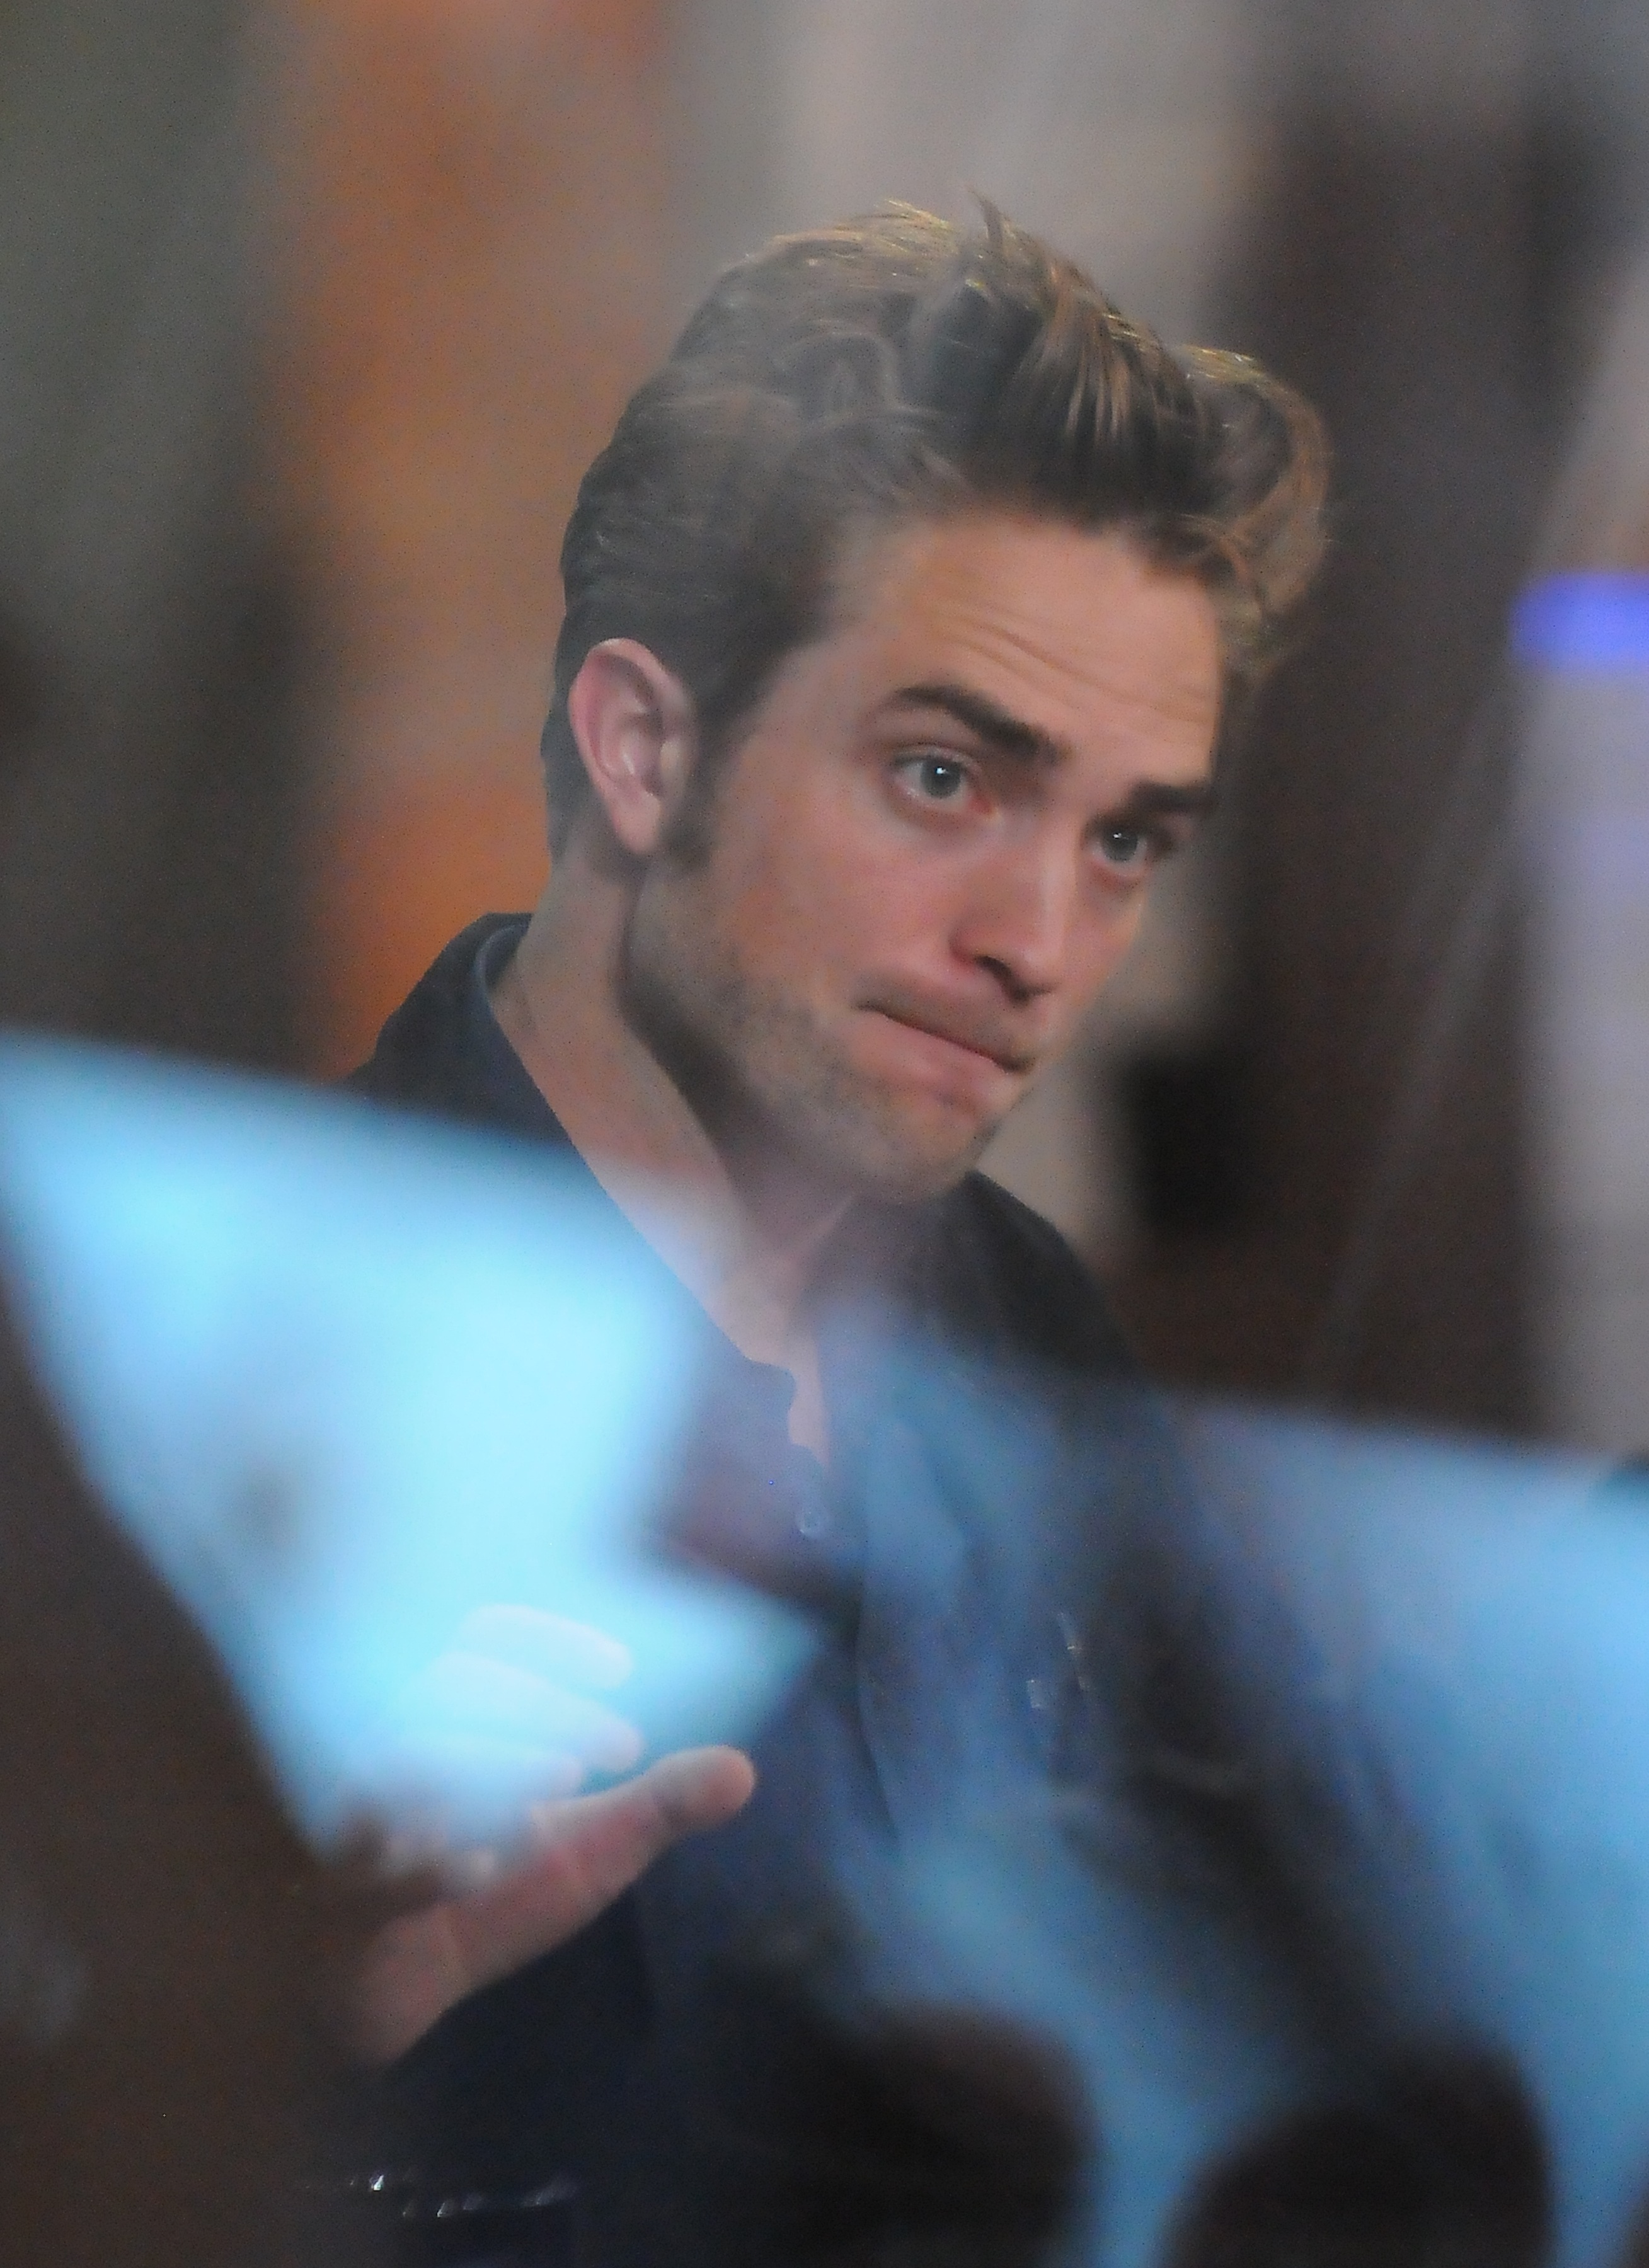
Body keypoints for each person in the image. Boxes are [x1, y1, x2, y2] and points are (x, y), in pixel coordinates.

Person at [342, 203, 1330, 2264]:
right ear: (644, 747)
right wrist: (274, 2034)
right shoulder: (241, 1373)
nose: (1039, 944)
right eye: (943, 775)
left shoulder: (1030, 1335)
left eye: (1122, 837)